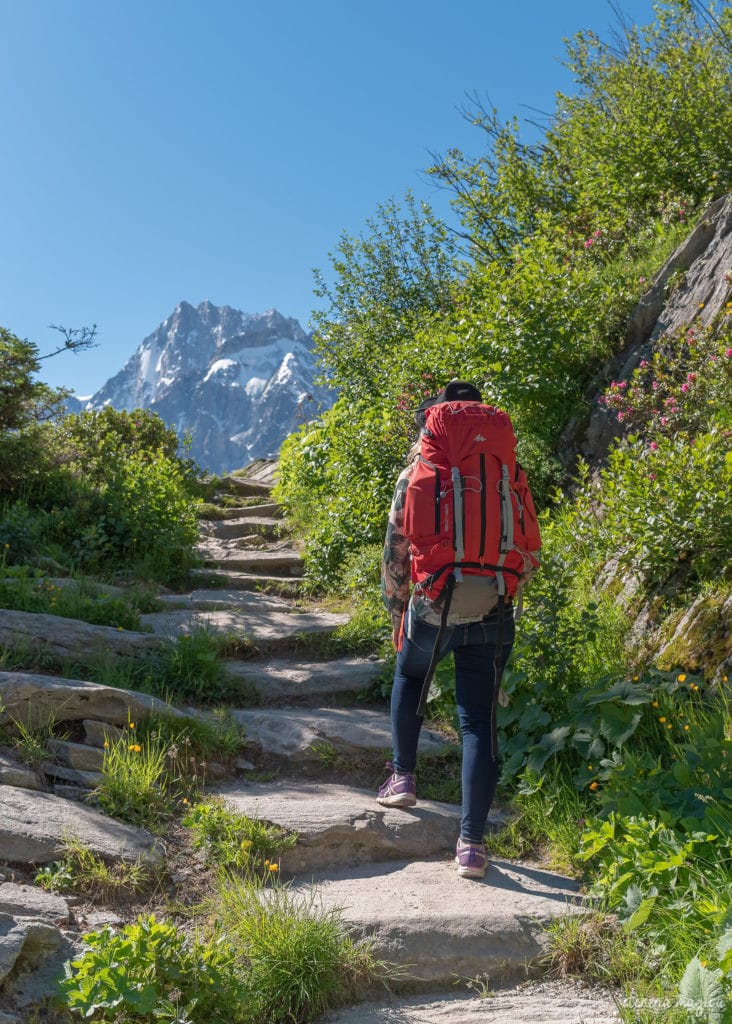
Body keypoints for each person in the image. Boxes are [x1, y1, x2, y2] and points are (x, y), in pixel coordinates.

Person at [377, 380, 539, 879]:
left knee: (409, 677)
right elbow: (528, 543)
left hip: (432, 604)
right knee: (477, 720)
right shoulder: (504, 468)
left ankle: (402, 778)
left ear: (432, 419)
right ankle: (471, 845)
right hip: (493, 602)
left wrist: (397, 612)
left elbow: (396, 552)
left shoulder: (418, 470)